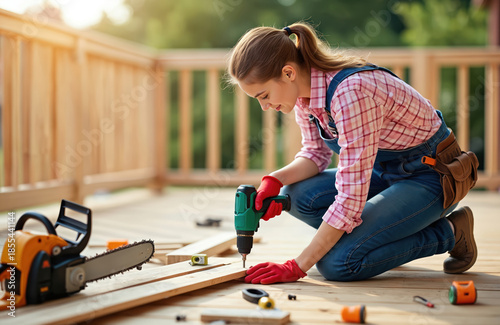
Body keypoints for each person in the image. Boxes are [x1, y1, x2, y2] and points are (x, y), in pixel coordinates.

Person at [227, 22, 479, 284]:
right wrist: (275, 180)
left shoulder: (351, 93)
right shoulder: (304, 97)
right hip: (383, 172)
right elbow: (315, 154)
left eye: (264, 95)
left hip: (432, 177)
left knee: (339, 263)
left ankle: (450, 232)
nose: (265, 107)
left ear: (288, 73)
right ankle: (379, 234)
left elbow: (349, 200)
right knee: (295, 195)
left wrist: (296, 266)